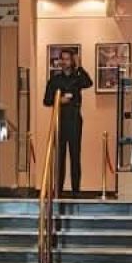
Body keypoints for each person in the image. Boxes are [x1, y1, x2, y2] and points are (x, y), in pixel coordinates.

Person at [43, 53, 93, 196]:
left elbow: (88, 83)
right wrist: (59, 100)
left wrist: (79, 67)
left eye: (67, 59)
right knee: (59, 156)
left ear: (72, 61)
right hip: (59, 120)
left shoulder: (77, 78)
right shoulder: (55, 80)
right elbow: (46, 101)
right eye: (62, 59)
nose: (64, 62)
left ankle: (76, 191)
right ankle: (58, 191)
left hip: (75, 120)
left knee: (75, 156)